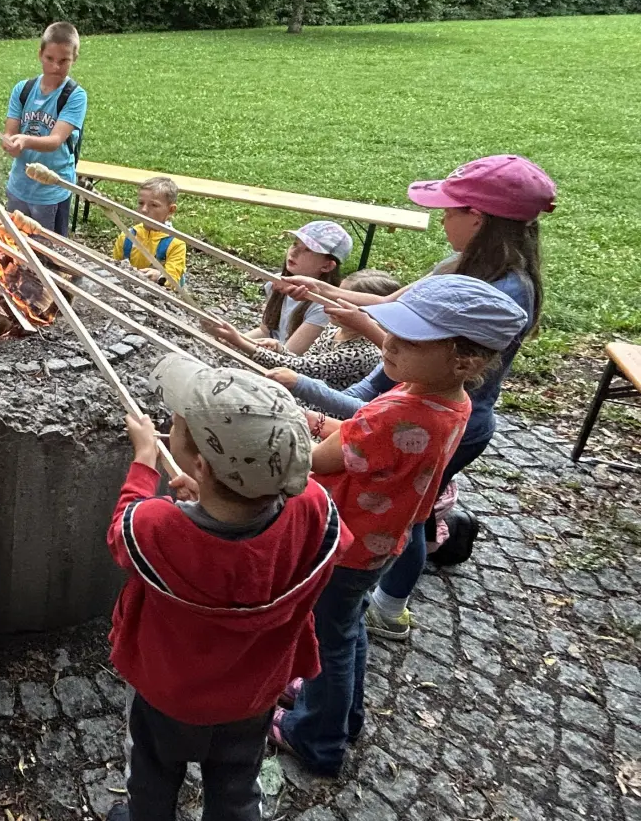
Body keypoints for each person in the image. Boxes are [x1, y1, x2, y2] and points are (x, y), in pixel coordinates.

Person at [275, 155, 551, 641]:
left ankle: (386, 601)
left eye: (448, 212)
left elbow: (414, 350)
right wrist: (321, 288)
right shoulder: (464, 264)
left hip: (433, 411)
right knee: (409, 514)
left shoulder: (505, 291)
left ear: (478, 219)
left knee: (406, 515)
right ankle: (380, 596)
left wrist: (373, 337)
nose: (442, 220)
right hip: (419, 401)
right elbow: (395, 304)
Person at [266, 276, 528, 777]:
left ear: (464, 359)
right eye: (394, 331)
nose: (387, 341)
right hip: (381, 539)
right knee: (347, 628)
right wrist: (322, 419)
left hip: (346, 542)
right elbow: (364, 430)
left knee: (330, 635)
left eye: (409, 340)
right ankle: (343, 712)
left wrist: (295, 425)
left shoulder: (402, 413)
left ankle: (319, 738)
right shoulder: (448, 401)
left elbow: (321, 462)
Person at [106, 356, 344, 821]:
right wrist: (212, 505)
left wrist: (143, 461)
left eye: (178, 423)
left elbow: (123, 530)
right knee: (236, 784)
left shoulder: (160, 527)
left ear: (200, 464)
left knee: (153, 772)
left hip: (170, 693)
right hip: (252, 693)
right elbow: (261, 540)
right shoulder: (315, 505)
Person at [205, 269, 401, 391]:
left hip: (322, 414)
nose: (333, 303)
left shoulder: (362, 352)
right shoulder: (333, 331)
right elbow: (303, 361)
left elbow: (300, 369)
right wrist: (278, 348)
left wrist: (239, 342)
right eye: (337, 295)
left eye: (347, 302)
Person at [2, 22, 87, 237]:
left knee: (50, 252)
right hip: (19, 186)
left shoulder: (74, 95)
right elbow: (10, 131)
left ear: (74, 58)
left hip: (52, 190)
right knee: (15, 246)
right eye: (50, 59)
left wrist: (25, 140)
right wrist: (9, 142)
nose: (56, 67)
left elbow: (55, 140)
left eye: (63, 60)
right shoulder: (23, 89)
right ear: (40, 54)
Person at [246, 220, 351, 356]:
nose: (294, 252)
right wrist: (228, 336)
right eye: (295, 244)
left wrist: (237, 341)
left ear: (327, 266)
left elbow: (288, 356)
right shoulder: (277, 283)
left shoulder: (324, 308)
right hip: (272, 357)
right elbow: (266, 331)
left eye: (307, 250)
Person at [112, 176, 186, 290]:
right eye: (141, 203)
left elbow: (174, 280)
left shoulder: (176, 244)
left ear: (171, 210)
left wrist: (159, 277)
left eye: (154, 205)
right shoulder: (127, 236)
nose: (144, 210)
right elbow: (113, 266)